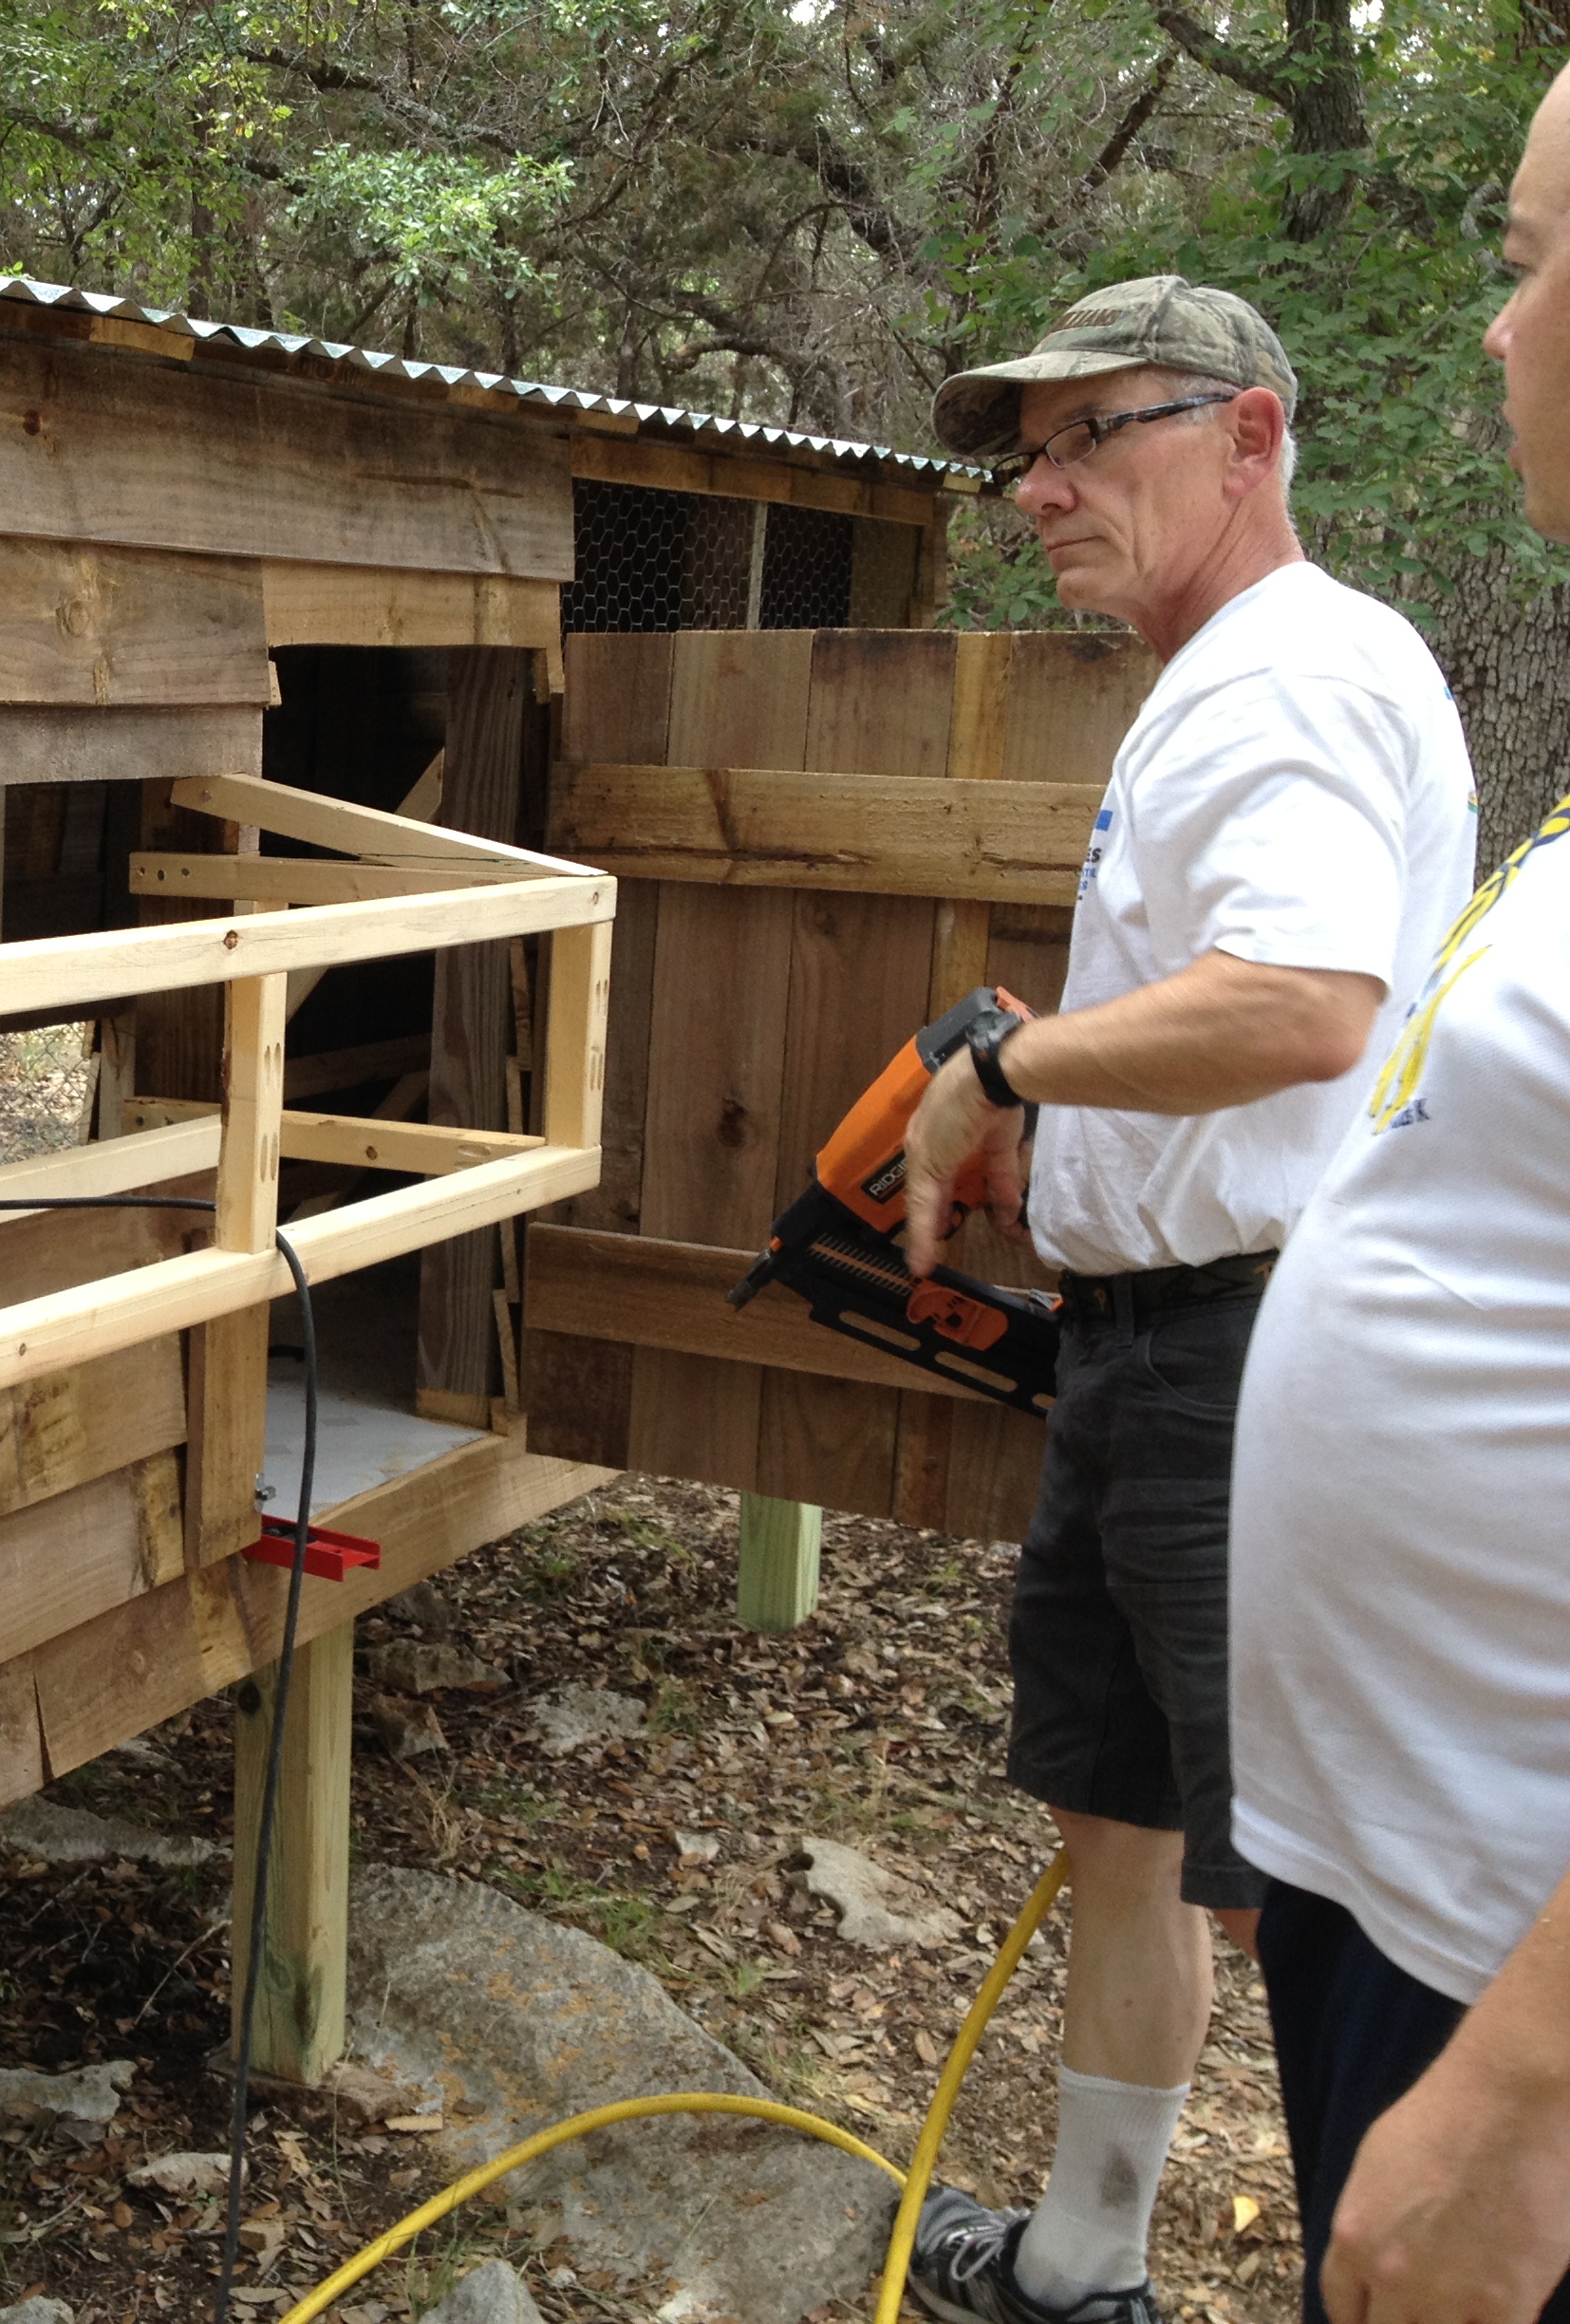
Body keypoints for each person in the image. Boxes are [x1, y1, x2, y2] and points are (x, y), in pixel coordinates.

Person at [892, 278, 1479, 2324]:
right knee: (1123, 1819)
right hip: (1160, 1345)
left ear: (1251, 438)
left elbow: (1307, 1004)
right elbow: (1262, 995)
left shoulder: (1277, 678)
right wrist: (1056, 1109)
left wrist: (1007, 1073)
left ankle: (1398, 2272)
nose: (1040, 488)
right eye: (1024, 453)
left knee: (1311, 1902)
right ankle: (1081, 2265)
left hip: (1238, 1360)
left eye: (1092, 436)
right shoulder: (1240, 671)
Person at [1222, 70, 1570, 2324]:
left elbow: (1303, 1005)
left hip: (1513, 1993)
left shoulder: (1301, 677)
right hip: (1423, 1888)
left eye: (1534, 260)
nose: (1497, 330)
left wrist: (1529, 2096)